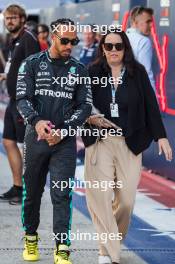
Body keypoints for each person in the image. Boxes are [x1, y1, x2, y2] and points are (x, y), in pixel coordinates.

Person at [83, 29, 172, 264]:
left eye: (118, 46)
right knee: (100, 197)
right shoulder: (92, 72)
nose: (113, 50)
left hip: (129, 143)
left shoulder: (137, 73)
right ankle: (108, 251)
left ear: (125, 48)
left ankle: (112, 243)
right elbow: (80, 102)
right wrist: (90, 117)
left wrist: (160, 136)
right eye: (109, 46)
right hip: (100, 141)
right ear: (102, 48)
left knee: (126, 201)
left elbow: (151, 105)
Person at [16, 18, 92, 263]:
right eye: (66, 40)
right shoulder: (31, 64)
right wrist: (37, 121)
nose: (71, 45)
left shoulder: (79, 69)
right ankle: (30, 238)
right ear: (52, 37)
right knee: (32, 193)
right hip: (36, 139)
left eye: (75, 41)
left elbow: (84, 106)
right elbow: (22, 99)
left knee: (62, 194)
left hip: (64, 142)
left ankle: (62, 247)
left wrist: (65, 130)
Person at [0, 4, 40, 205]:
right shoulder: (13, 41)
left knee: (28, 148)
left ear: (23, 19)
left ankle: (29, 192)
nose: (10, 21)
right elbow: (15, 68)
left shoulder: (28, 40)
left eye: (14, 18)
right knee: (8, 141)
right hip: (13, 100)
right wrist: (6, 76)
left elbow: (36, 71)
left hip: (24, 101)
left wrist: (29, 102)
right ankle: (17, 187)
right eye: (7, 18)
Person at [126, 6, 155, 89]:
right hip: (137, 93)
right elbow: (146, 73)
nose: (151, 25)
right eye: (148, 22)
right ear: (135, 23)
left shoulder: (122, 37)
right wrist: (153, 100)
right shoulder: (144, 41)